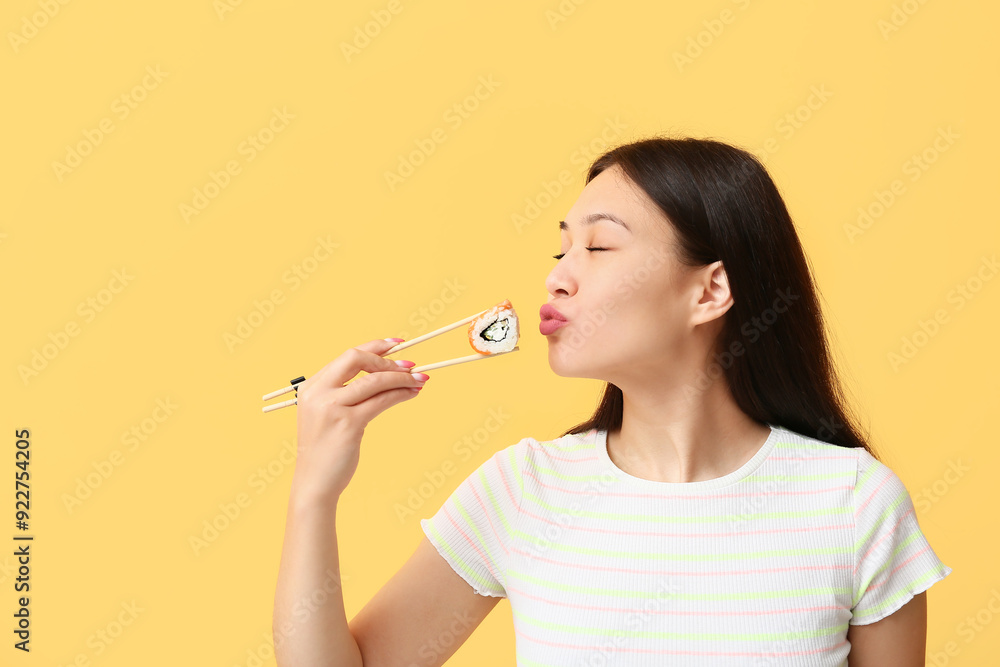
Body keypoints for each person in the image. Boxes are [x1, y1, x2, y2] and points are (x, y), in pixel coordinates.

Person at [273, 136, 952, 667]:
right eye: (561, 247)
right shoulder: (524, 490)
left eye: (598, 245)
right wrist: (314, 488)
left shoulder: (854, 503)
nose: (557, 277)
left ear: (710, 291)